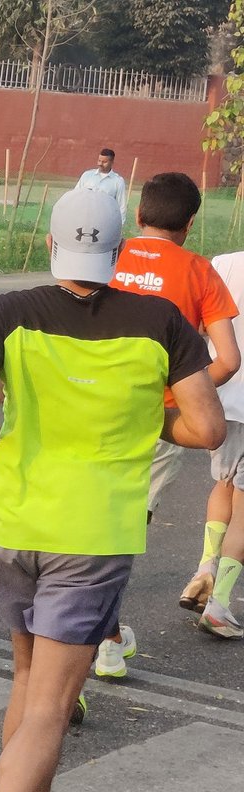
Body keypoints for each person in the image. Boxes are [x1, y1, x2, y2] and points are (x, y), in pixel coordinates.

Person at [0, 188, 223, 792]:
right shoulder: (159, 321)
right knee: (52, 705)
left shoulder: (10, 311)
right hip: (91, 534)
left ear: (49, 245)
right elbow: (208, 428)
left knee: (28, 686)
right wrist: (149, 426)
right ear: (119, 250)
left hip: (18, 522)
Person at [98, 171, 239, 676]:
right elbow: (228, 357)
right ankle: (105, 637)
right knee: (126, 525)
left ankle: (99, 630)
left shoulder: (107, 253)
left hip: (87, 401)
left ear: (138, 214)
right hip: (153, 418)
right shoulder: (199, 271)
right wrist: (183, 396)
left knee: (89, 516)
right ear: (191, 223)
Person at [179, 249, 244, 639]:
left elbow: (199, 327)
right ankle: (219, 602)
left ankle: (205, 569)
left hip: (221, 392)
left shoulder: (223, 263)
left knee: (224, 483)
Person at [75, 147, 127, 223]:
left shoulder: (118, 181)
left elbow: (121, 206)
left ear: (112, 162)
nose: (100, 164)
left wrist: (120, 226)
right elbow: (75, 195)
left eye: (104, 162)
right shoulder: (87, 175)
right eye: (99, 160)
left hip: (105, 221)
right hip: (84, 218)